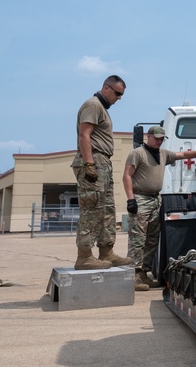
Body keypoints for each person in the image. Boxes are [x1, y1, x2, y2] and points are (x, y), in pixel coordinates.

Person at [123, 126, 196, 291]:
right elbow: (127, 175)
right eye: (157, 138)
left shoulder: (163, 154)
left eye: (162, 139)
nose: (159, 141)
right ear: (149, 137)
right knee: (137, 239)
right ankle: (134, 275)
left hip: (154, 200)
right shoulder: (137, 154)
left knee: (152, 239)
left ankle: (144, 273)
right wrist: (131, 199)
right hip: (141, 198)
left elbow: (183, 155)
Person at [71, 75, 133, 270]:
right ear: (106, 88)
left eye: (121, 94)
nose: (119, 98)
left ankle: (106, 251)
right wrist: (89, 163)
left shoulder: (102, 109)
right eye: (117, 93)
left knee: (106, 209)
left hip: (103, 162)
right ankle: (84, 256)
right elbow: (84, 135)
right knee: (92, 210)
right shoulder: (93, 105)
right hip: (94, 160)